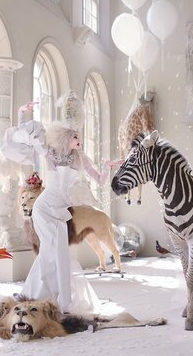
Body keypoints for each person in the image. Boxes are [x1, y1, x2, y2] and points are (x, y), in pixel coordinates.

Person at [17, 104, 122, 315]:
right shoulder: (50, 154)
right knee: (50, 251)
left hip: (61, 211)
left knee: (59, 253)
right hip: (44, 209)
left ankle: (59, 298)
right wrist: (22, 113)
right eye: (75, 136)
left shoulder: (80, 158)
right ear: (65, 138)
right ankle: (39, 293)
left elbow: (100, 180)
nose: (78, 139)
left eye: (79, 136)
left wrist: (107, 167)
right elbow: (25, 136)